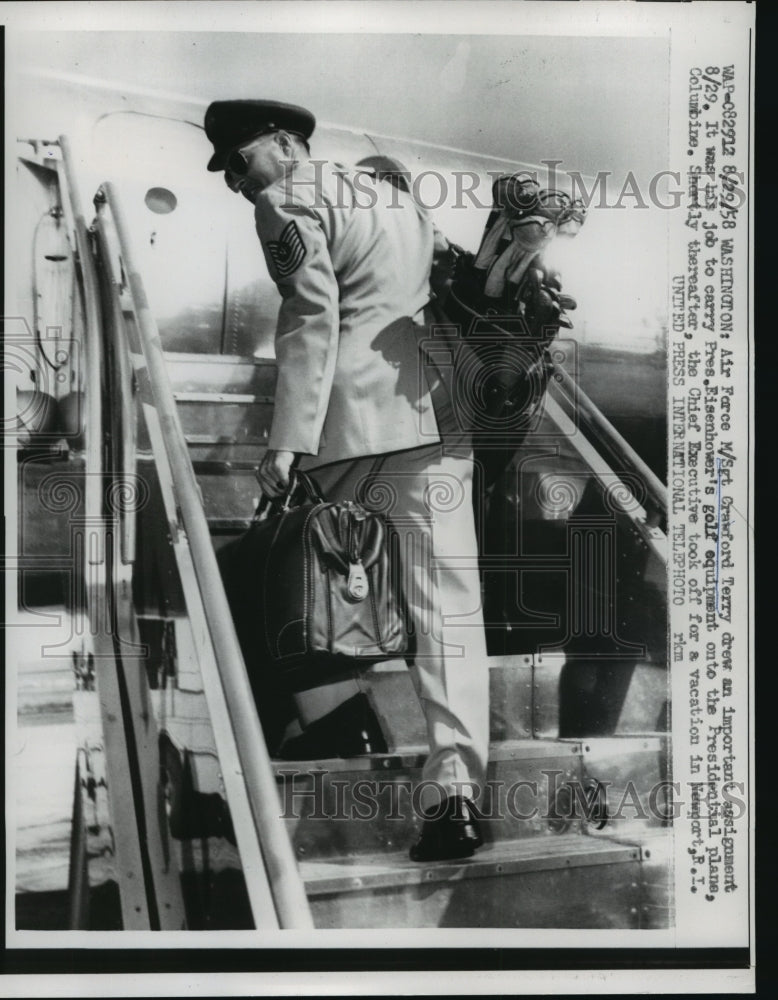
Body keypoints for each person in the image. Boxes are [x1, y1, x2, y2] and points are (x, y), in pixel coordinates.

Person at [205, 99, 487, 861]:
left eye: (239, 160)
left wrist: (288, 440)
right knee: (447, 610)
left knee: (285, 582)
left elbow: (311, 316)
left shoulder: (285, 200)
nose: (237, 180)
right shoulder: (395, 196)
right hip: (440, 418)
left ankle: (308, 745)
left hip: (362, 430)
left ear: (286, 144)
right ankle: (455, 797)